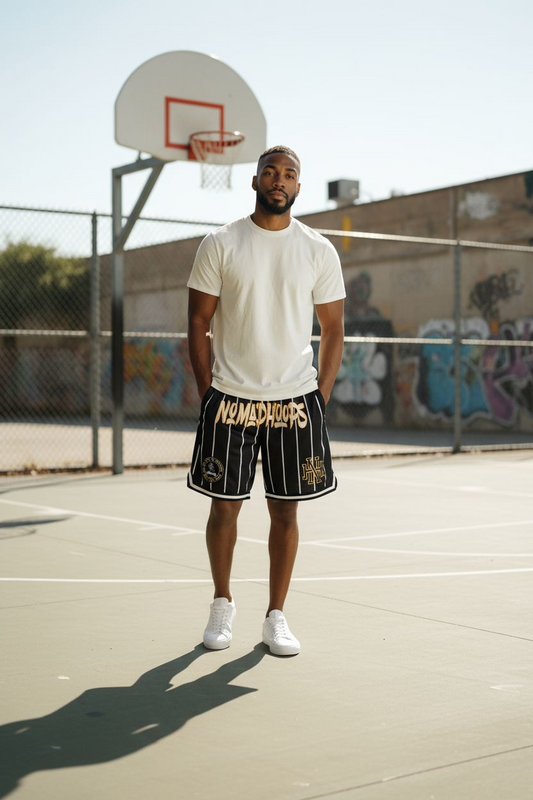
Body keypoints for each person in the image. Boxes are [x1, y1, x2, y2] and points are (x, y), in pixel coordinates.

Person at [186, 146, 345, 656]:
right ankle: (222, 603)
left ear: (299, 186)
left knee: (286, 513)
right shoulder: (221, 243)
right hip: (230, 397)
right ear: (255, 181)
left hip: (293, 401)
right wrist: (207, 391)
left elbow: (334, 328)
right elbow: (198, 321)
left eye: (289, 174)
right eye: (271, 172)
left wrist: (320, 396)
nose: (279, 180)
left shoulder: (318, 249)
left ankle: (276, 615)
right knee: (224, 508)